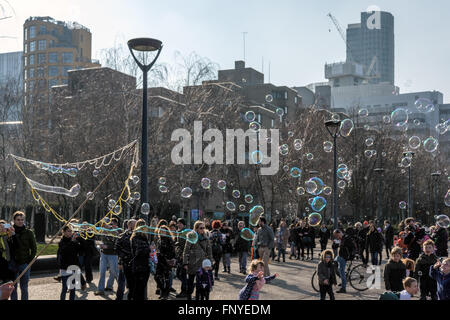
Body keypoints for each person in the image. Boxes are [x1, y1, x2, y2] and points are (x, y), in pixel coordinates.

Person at [9, 211, 37, 300]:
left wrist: (29, 261)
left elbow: (34, 248)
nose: (20, 221)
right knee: (13, 287)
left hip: (25, 263)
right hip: (12, 263)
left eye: (22, 220)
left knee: (24, 287)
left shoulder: (29, 232)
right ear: (14, 220)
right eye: (18, 220)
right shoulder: (9, 231)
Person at [183, 221, 212, 300]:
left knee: (201, 284)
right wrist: (185, 263)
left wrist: (210, 263)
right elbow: (186, 251)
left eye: (203, 228)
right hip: (192, 263)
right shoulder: (191, 237)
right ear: (196, 228)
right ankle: (189, 296)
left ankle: (198, 297)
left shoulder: (206, 238)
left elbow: (209, 252)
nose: (203, 230)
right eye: (201, 228)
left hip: (203, 264)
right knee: (190, 283)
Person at [94, 218, 120, 296]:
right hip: (103, 254)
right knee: (102, 272)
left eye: (105, 223)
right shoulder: (102, 231)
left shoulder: (115, 232)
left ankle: (122, 285)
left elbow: (117, 245)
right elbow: (99, 241)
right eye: (103, 224)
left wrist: (107, 246)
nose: (103, 225)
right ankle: (100, 289)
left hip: (113, 254)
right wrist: (100, 245)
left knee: (114, 272)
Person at [57, 225, 82, 300]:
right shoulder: (61, 242)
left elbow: (82, 249)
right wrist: (72, 241)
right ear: (64, 232)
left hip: (74, 267)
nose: (70, 233)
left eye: (71, 231)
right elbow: (65, 250)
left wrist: (80, 239)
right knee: (64, 288)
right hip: (65, 268)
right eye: (68, 231)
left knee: (73, 289)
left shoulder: (74, 241)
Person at [115, 219, 136, 300]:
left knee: (132, 283)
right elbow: (117, 247)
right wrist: (122, 258)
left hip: (134, 263)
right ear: (130, 225)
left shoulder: (137, 235)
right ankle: (119, 298)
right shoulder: (123, 235)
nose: (136, 226)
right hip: (124, 262)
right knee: (121, 282)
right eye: (135, 224)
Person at [130, 219, 150, 300]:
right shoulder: (136, 237)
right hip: (139, 267)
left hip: (144, 266)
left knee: (141, 289)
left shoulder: (143, 237)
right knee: (138, 289)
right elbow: (138, 252)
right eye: (144, 226)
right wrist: (149, 248)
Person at [155, 225, 176, 300]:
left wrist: (169, 259)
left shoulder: (169, 240)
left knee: (166, 279)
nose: (162, 232)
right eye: (160, 231)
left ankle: (165, 294)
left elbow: (172, 252)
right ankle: (163, 292)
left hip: (167, 262)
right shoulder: (159, 240)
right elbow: (158, 250)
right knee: (157, 277)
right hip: (160, 261)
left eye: (163, 231)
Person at [333, 229, 357, 294]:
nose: (337, 237)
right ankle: (344, 280)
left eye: (337, 235)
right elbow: (337, 246)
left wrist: (352, 256)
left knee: (341, 271)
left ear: (340, 233)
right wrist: (335, 244)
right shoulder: (341, 239)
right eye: (336, 236)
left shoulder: (347, 238)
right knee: (334, 265)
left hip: (344, 257)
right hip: (340, 256)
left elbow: (354, 247)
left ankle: (343, 288)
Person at [175, 218, 188, 298]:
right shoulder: (178, 232)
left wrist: (183, 255)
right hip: (179, 256)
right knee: (178, 274)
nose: (179, 224)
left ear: (184, 224)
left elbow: (185, 245)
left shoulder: (185, 232)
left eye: (180, 223)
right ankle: (187, 286)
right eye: (178, 223)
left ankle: (184, 291)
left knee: (182, 274)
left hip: (183, 256)